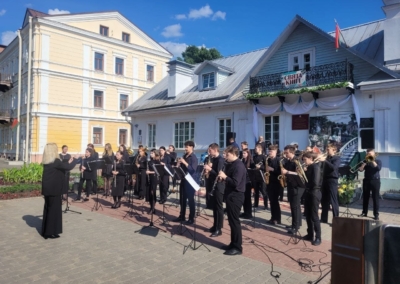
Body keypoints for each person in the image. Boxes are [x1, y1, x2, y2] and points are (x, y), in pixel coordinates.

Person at [42, 143, 79, 239]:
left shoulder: (47, 161)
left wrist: (69, 161)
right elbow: (68, 168)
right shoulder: (56, 161)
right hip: (54, 189)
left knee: (48, 209)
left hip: (48, 189)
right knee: (54, 211)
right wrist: (75, 159)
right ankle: (49, 232)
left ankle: (46, 230)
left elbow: (62, 166)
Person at [218, 145, 246, 256]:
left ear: (233, 154)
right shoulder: (231, 164)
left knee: (235, 221)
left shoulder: (239, 165)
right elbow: (230, 180)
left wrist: (225, 177)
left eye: (227, 154)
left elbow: (235, 182)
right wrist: (223, 179)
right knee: (231, 221)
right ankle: (233, 243)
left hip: (236, 196)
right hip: (230, 195)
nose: (225, 156)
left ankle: (238, 247)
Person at [281, 145, 305, 234]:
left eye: (286, 153)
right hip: (291, 185)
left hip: (298, 186)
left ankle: (295, 227)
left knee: (295, 206)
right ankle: (297, 223)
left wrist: (287, 172)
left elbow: (299, 173)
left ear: (292, 152)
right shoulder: (288, 161)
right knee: (294, 205)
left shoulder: (297, 161)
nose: (285, 154)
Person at [172, 140, 198, 225]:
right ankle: (182, 216)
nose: (185, 148)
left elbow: (192, 169)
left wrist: (184, 162)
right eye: (185, 147)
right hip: (183, 180)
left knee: (191, 201)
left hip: (190, 182)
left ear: (192, 147)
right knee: (182, 199)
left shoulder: (193, 158)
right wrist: (178, 165)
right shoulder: (185, 156)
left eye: (187, 147)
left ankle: (191, 218)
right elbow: (182, 169)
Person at [203, 143, 225, 237]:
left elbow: (219, 175)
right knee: (214, 207)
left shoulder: (220, 160)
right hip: (212, 185)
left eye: (210, 150)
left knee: (219, 208)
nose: (209, 152)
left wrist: (210, 169)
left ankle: (219, 229)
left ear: (215, 150)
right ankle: (215, 226)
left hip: (219, 186)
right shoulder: (213, 159)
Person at [302, 152, 323, 246]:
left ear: (311, 158)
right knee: (308, 215)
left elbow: (315, 182)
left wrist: (306, 181)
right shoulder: (309, 167)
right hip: (308, 192)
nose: (304, 161)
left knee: (314, 216)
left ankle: (318, 237)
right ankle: (310, 234)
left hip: (314, 193)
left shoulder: (315, 167)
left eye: (305, 159)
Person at [319, 143, 341, 223]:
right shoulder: (327, 158)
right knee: (324, 200)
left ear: (334, 150)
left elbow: (333, 168)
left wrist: (324, 160)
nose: (326, 151)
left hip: (332, 180)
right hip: (324, 179)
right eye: (326, 149)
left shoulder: (337, 158)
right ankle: (324, 218)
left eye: (328, 149)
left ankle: (336, 220)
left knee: (333, 200)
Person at [357, 149, 382, 220]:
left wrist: (372, 160)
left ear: (374, 153)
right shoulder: (365, 161)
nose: (368, 154)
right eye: (367, 153)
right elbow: (360, 170)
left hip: (375, 181)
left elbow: (378, 168)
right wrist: (363, 165)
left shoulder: (378, 161)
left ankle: (376, 214)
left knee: (375, 198)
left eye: (370, 153)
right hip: (366, 180)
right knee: (365, 197)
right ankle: (364, 212)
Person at [265, 144, 282, 225]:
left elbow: (280, 172)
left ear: (275, 151)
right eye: (269, 151)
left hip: (276, 183)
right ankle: (272, 217)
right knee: (271, 201)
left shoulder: (279, 160)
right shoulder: (268, 160)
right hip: (269, 183)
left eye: (271, 151)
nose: (269, 152)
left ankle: (277, 218)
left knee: (275, 201)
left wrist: (272, 169)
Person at [252, 143, 268, 210]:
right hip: (256, 175)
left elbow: (266, 167)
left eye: (256, 148)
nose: (255, 150)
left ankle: (266, 205)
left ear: (260, 149)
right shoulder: (254, 157)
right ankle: (256, 204)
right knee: (256, 191)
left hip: (262, 175)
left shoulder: (264, 157)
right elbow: (253, 165)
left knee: (264, 191)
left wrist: (260, 167)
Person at [240, 149, 253, 219]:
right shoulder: (242, 161)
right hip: (243, 181)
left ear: (248, 154)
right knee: (244, 198)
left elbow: (252, 171)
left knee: (248, 198)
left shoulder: (250, 161)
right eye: (242, 153)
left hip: (248, 182)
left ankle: (249, 213)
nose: (243, 154)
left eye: (244, 153)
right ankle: (245, 212)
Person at [146, 149, 160, 214]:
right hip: (149, 178)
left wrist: (149, 172)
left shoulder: (157, 162)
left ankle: (153, 208)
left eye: (152, 153)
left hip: (154, 178)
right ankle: (151, 207)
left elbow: (158, 172)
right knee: (149, 193)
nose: (151, 154)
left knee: (152, 193)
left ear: (155, 154)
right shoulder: (150, 161)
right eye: (150, 153)